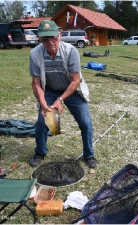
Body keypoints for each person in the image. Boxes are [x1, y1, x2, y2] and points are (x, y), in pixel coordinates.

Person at [29, 20, 97, 168]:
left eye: (53, 37)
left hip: (71, 89)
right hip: (50, 89)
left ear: (59, 35)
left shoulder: (71, 51)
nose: (50, 42)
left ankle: (89, 154)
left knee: (85, 122)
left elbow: (75, 80)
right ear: (39, 38)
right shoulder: (35, 54)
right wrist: (43, 103)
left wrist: (60, 100)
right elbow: (36, 83)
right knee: (42, 122)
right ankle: (40, 152)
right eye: (45, 39)